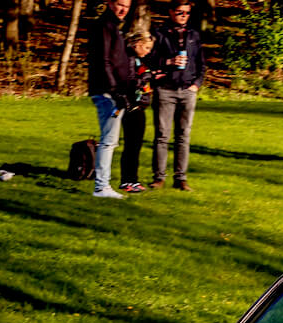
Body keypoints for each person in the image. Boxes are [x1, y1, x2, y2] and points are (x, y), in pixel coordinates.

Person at [149, 0, 204, 192]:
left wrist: (196, 85)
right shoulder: (159, 33)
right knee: (162, 136)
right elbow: (150, 59)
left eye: (186, 13)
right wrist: (169, 61)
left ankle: (181, 178)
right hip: (165, 89)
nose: (183, 16)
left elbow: (200, 63)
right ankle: (159, 177)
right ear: (171, 12)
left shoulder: (194, 35)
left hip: (187, 90)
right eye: (180, 12)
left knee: (183, 136)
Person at [86, 0, 133, 199]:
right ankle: (101, 186)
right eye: (119, 4)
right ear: (109, 3)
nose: (123, 10)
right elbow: (104, 61)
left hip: (113, 91)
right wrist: (115, 91)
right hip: (107, 92)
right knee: (109, 140)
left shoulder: (114, 27)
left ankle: (103, 184)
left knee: (111, 140)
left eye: (127, 6)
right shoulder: (105, 26)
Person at [118, 30, 158, 193]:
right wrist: (144, 79)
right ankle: (127, 180)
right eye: (147, 47)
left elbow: (142, 76)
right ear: (138, 44)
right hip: (130, 106)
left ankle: (132, 179)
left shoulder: (137, 61)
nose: (148, 51)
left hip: (138, 106)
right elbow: (128, 81)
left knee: (136, 145)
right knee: (131, 144)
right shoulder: (127, 59)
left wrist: (149, 76)